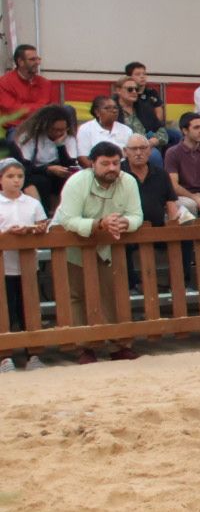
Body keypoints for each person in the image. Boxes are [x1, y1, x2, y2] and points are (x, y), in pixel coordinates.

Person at [53, 141, 144, 363]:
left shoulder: (128, 181)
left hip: (107, 246)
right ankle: (83, 347)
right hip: (74, 242)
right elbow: (68, 219)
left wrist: (124, 223)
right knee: (77, 295)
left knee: (111, 293)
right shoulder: (77, 182)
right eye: (105, 164)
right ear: (92, 164)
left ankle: (119, 344)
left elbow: (136, 215)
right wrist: (98, 224)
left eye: (115, 163)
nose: (112, 168)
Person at [0, 157, 48, 372]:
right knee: (5, 310)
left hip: (28, 266)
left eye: (19, 176)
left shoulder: (32, 202)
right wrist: (8, 234)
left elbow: (43, 224)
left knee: (29, 310)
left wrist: (35, 230)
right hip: (4, 267)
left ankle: (33, 354)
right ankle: (5, 356)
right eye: (10, 176)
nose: (15, 181)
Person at [15, 104, 79, 214]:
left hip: (57, 171)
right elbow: (25, 166)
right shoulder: (29, 137)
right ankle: (41, 213)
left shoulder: (68, 137)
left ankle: (59, 214)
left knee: (67, 180)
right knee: (41, 181)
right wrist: (47, 169)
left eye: (62, 130)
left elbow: (69, 163)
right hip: (34, 171)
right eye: (55, 130)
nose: (59, 133)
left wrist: (60, 146)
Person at [121, 135, 178, 229]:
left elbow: (171, 206)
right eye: (134, 149)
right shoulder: (118, 173)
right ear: (125, 151)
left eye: (143, 148)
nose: (138, 153)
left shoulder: (161, 174)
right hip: (126, 233)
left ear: (150, 150)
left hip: (157, 232)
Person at [119, 62, 175, 150]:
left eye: (144, 74)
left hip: (150, 129)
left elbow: (158, 116)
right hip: (129, 142)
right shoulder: (114, 107)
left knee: (175, 136)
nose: (142, 76)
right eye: (138, 74)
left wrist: (152, 139)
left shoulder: (151, 93)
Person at [0, 44, 51, 122]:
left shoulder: (45, 83)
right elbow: (13, 110)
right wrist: (36, 108)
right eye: (32, 59)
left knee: (67, 109)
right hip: (16, 126)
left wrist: (24, 107)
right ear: (20, 62)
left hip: (40, 124)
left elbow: (45, 107)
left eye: (38, 59)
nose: (37, 62)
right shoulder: (4, 83)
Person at [76, 95, 133, 162]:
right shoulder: (85, 129)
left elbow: (131, 155)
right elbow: (82, 158)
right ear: (97, 112)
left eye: (115, 108)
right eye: (107, 108)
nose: (114, 111)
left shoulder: (126, 130)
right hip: (93, 170)